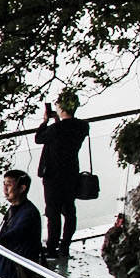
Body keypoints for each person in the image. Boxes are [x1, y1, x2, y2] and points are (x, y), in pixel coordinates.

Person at [34, 90, 91, 262]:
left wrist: (45, 121)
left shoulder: (55, 128)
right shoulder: (82, 126)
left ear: (60, 107)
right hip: (71, 173)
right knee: (69, 210)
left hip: (53, 175)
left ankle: (51, 248)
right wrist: (56, 121)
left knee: (53, 212)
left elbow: (39, 138)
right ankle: (65, 245)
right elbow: (63, 135)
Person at [0, 169, 45, 272]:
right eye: (4, 185)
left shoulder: (29, 213)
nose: (5, 189)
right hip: (5, 266)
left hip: (17, 271)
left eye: (9, 185)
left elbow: (13, 236)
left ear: (22, 188)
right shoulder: (13, 209)